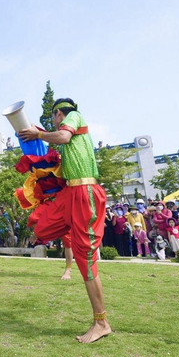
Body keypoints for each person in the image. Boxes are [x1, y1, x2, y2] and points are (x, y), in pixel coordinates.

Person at [18, 98, 111, 343]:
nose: (56, 122)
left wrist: (39, 134)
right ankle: (78, 239)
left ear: (59, 113)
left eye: (54, 118)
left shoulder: (74, 117)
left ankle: (101, 322)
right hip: (70, 194)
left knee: (86, 259)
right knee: (41, 226)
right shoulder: (67, 131)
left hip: (85, 193)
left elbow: (63, 137)